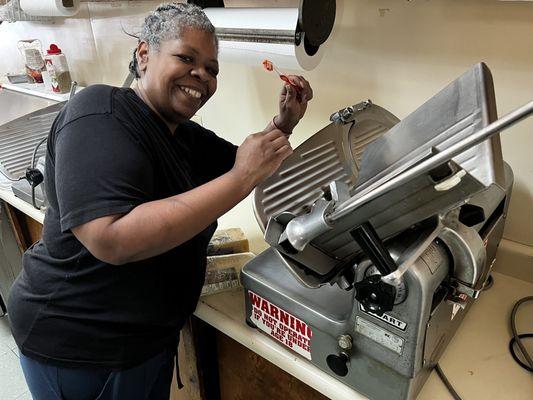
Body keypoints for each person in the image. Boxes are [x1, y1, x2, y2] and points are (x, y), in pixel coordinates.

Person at [7, 3, 313, 400]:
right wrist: (241, 178)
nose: (201, 74)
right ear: (144, 55)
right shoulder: (99, 115)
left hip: (144, 341)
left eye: (212, 68)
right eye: (186, 58)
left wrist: (283, 124)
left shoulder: (182, 135)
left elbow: (246, 164)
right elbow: (111, 237)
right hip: (81, 345)